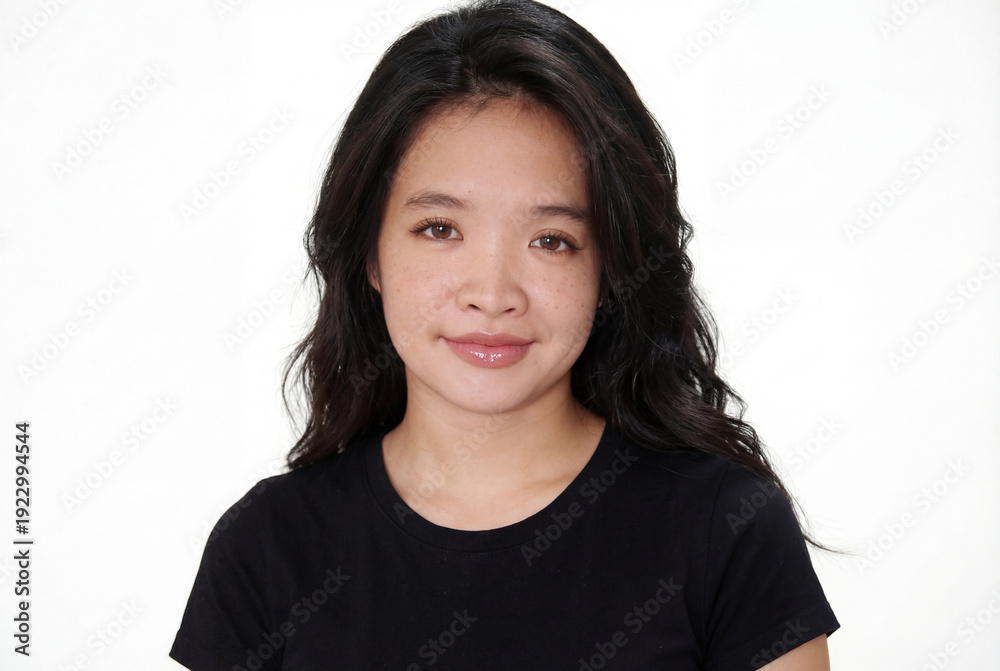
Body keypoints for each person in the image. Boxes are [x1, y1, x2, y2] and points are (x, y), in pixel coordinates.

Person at [169, 1, 841, 669]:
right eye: (439, 229)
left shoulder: (726, 529)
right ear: (370, 253)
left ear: (609, 268)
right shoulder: (267, 548)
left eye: (551, 240)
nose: (492, 295)